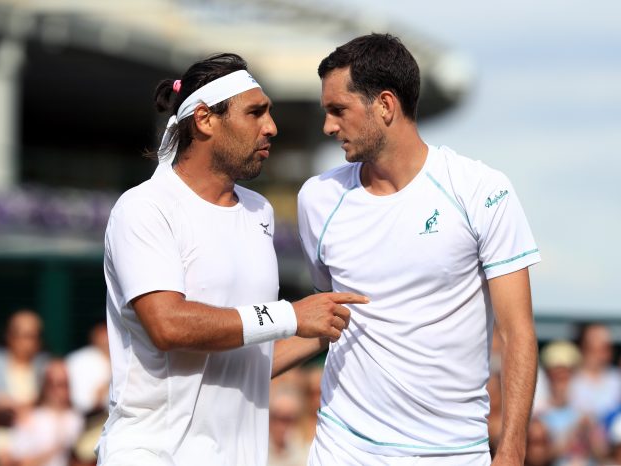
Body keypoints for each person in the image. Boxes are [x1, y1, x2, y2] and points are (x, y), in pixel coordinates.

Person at [97, 53, 367, 466]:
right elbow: (167, 324)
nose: (271, 127)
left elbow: (251, 361)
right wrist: (291, 316)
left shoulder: (260, 211)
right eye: (256, 112)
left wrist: (330, 321)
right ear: (205, 119)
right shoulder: (144, 209)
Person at [297, 33, 541, 465]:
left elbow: (517, 332)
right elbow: (329, 316)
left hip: (452, 452)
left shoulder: (482, 190)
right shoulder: (317, 199)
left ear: (385, 106)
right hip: (343, 447)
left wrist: (511, 451)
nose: (328, 126)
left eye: (339, 110)